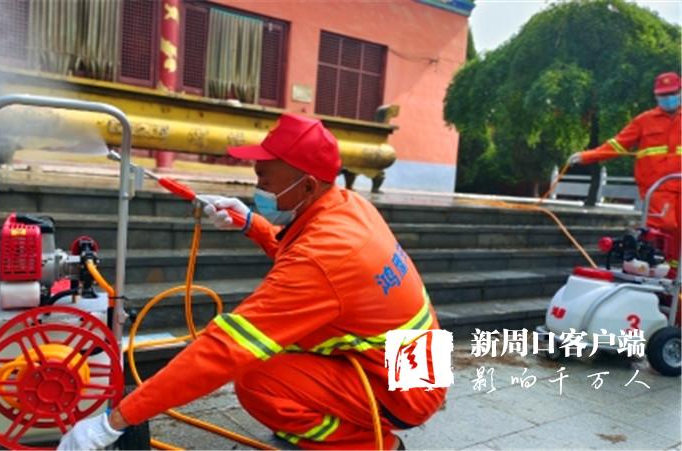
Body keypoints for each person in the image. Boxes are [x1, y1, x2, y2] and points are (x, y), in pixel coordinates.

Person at [58, 113, 445, 450]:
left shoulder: (325, 256)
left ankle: (367, 444)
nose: (258, 188)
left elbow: (224, 348)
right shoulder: (346, 206)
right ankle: (334, 422)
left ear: (308, 186)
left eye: (265, 180)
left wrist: (113, 423)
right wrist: (250, 223)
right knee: (282, 344)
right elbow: (311, 260)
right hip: (416, 363)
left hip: (407, 387)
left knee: (257, 380)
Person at [568, 71, 681, 277]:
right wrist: (587, 156)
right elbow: (617, 145)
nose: (668, 98)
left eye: (672, 93)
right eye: (663, 95)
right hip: (658, 189)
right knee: (664, 229)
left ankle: (675, 279)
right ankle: (661, 274)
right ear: (656, 96)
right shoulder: (645, 121)